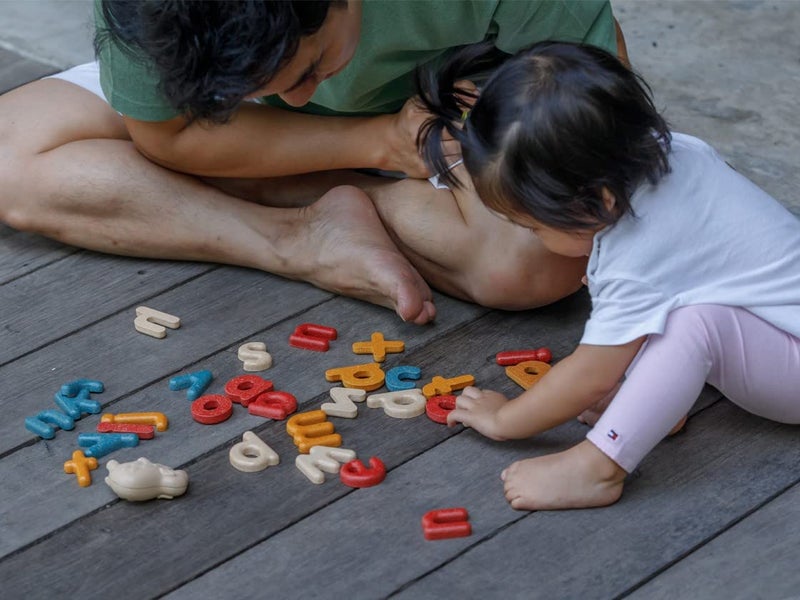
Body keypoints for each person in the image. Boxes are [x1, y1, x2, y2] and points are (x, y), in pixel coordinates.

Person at [0, 0, 628, 325]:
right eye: (255, 87)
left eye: (308, 68)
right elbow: (167, 133)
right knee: (9, 160)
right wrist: (374, 143)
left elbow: (593, 109)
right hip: (347, 142)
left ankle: (294, 197)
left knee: (534, 263)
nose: (294, 98)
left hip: (454, 114)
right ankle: (298, 239)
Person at [415, 41, 800, 510]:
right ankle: (654, 404)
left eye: (532, 225)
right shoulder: (677, 152)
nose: (532, 238)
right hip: (781, 332)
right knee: (677, 313)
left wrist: (506, 419)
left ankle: (598, 468)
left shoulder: (637, 255)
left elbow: (591, 376)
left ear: (601, 200)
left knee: (694, 326)